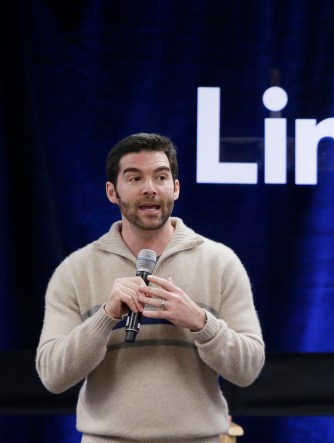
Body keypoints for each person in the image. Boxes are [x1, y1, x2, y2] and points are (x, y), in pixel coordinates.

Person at [36, 133, 265, 442]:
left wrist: (200, 322)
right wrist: (105, 317)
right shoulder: (75, 270)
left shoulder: (220, 263)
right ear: (112, 192)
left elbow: (248, 368)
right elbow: (53, 376)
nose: (150, 188)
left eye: (161, 177)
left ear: (176, 188)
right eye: (135, 178)